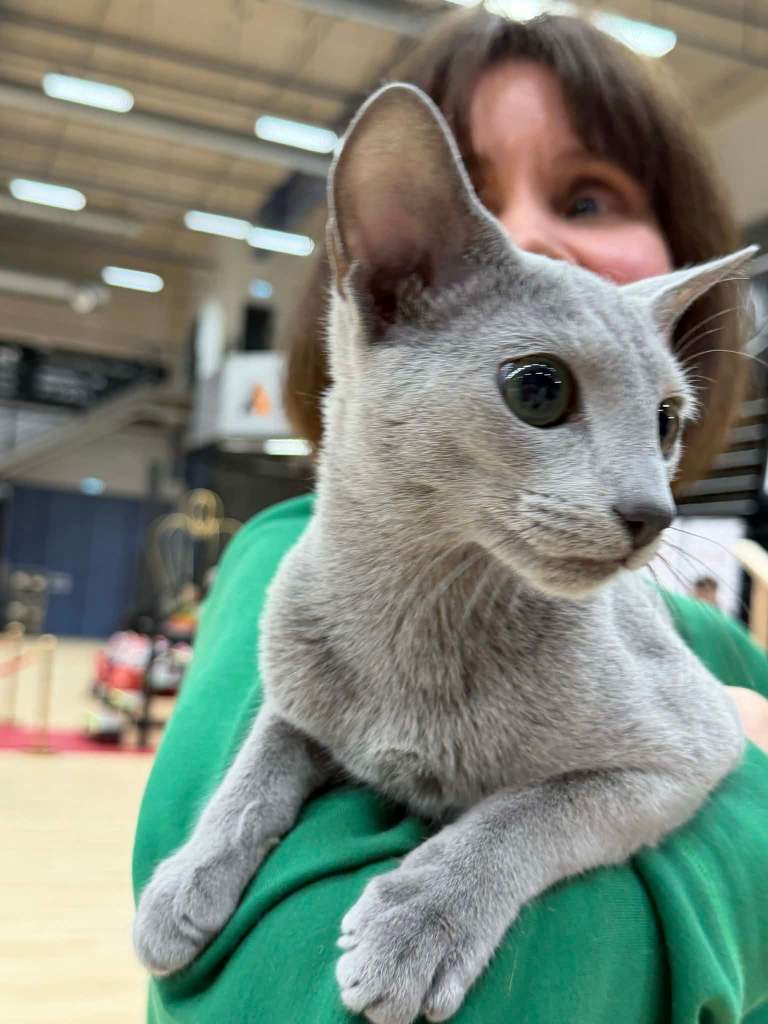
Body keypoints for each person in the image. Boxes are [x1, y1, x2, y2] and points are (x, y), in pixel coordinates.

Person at [133, 8, 768, 1023]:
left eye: (658, 420)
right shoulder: (278, 587)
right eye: (542, 389)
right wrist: (239, 820)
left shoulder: (628, 635)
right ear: (393, 283)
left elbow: (686, 748)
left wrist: (489, 860)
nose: (651, 497)